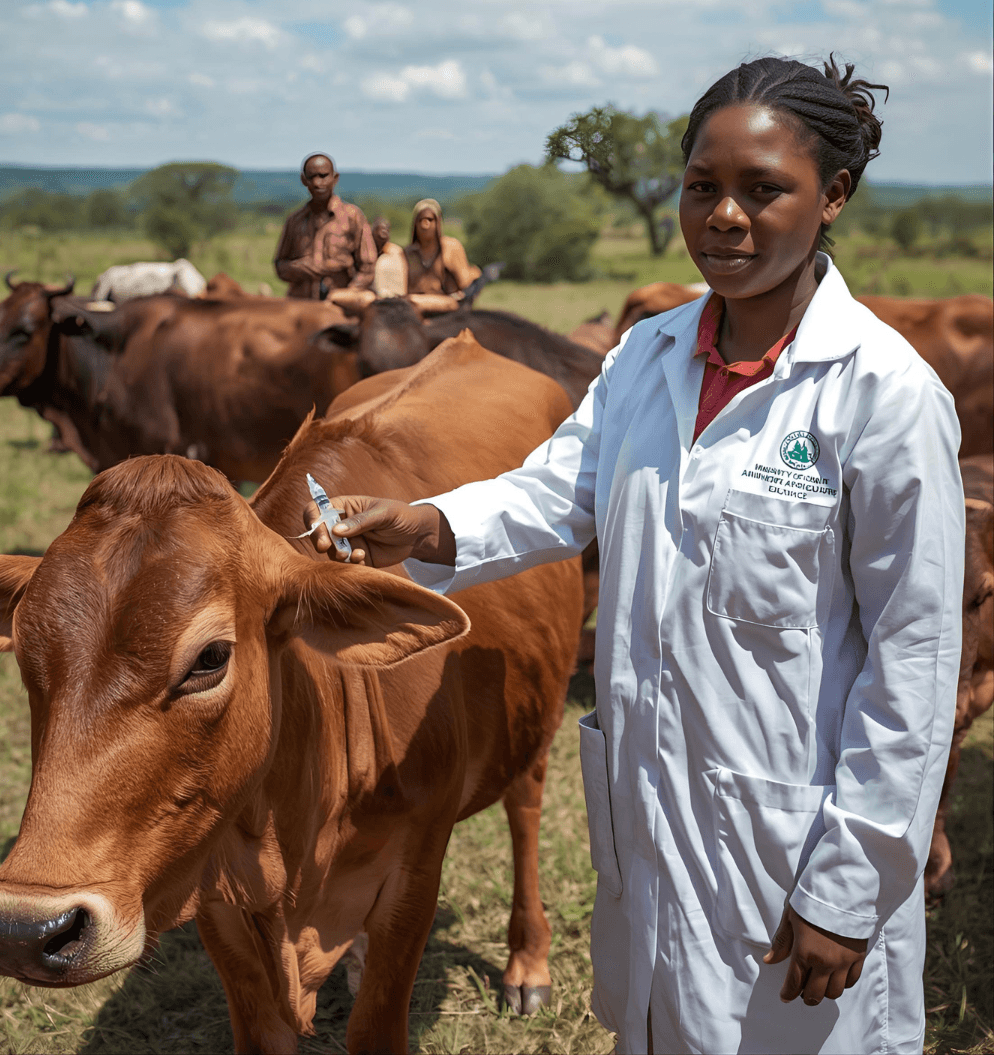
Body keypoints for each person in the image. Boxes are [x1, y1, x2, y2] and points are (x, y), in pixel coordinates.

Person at [306, 57, 965, 1055]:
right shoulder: (649, 357)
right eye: (703, 187)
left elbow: (913, 662)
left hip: (794, 848)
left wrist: (848, 885)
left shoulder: (884, 396)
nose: (726, 217)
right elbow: (553, 495)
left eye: (764, 189)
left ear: (833, 196)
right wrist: (422, 525)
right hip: (654, 825)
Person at [273, 152, 376, 300]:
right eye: (311, 177)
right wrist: (299, 268)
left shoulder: (352, 216)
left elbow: (368, 266)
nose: (317, 183)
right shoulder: (295, 221)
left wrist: (348, 293)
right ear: (303, 180)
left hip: (340, 305)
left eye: (323, 176)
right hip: (302, 303)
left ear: (335, 178)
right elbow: (280, 265)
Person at [404, 198, 481, 298]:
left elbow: (464, 282)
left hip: (446, 303)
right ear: (415, 224)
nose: (425, 225)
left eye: (430, 220)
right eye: (421, 220)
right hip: (415, 305)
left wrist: (476, 274)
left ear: (438, 223)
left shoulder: (450, 247)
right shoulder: (408, 253)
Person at [370, 216, 408, 298]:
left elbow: (401, 285)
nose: (383, 232)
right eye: (379, 229)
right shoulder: (365, 251)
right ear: (372, 231)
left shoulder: (396, 252)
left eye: (386, 229)